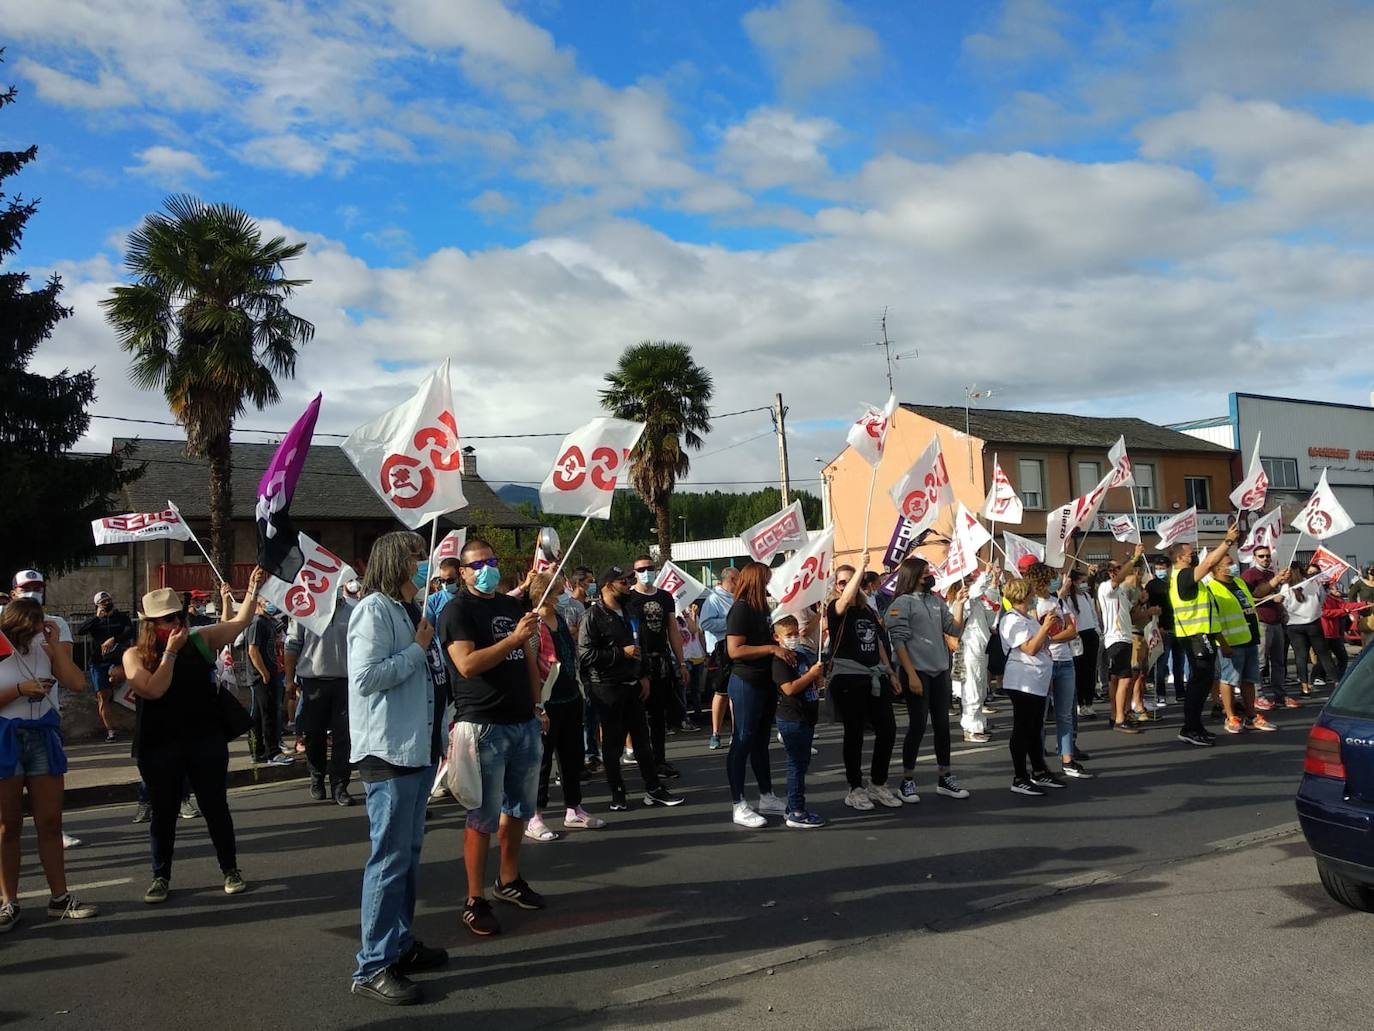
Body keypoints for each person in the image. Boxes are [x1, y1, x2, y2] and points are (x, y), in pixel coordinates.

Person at [347, 532, 448, 1006]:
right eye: (414, 556)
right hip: (388, 753)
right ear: (395, 562)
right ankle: (372, 965)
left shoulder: (413, 611)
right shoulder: (373, 610)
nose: (422, 562)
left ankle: (399, 945)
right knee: (388, 861)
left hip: (417, 751)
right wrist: (417, 647)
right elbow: (367, 678)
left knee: (406, 857)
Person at [122, 574, 264, 907]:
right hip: (160, 744)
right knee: (164, 812)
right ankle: (161, 876)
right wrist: (170, 653)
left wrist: (254, 587)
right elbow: (153, 689)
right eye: (169, 619)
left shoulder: (200, 640)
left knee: (216, 806)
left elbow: (241, 621)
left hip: (204, 738)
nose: (177, 623)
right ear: (151, 624)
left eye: (180, 616)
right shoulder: (134, 656)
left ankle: (230, 869)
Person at [441, 538, 552, 939]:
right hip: (483, 724)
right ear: (464, 572)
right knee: (482, 815)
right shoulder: (458, 610)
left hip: (522, 721)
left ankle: (508, 880)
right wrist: (511, 640)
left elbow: (529, 661)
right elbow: (467, 665)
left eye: (492, 561)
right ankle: (474, 898)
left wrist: (538, 706)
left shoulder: (510, 605)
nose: (487, 568)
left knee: (519, 809)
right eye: (478, 564)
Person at [0, 599, 100, 931]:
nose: (34, 632)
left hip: (42, 734)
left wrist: (56, 648)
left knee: (50, 822)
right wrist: (18, 689)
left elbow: (77, 683)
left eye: (39, 625)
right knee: (8, 825)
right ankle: (8, 901)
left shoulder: (45, 646)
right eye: (28, 627)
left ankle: (60, 897)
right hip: (6, 737)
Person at [577, 565, 683, 815]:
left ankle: (654, 789)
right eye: (623, 581)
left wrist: (644, 675)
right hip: (606, 688)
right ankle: (618, 792)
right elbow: (584, 655)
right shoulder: (592, 616)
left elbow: (641, 645)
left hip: (633, 685)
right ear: (607, 586)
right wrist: (618, 654)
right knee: (612, 745)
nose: (629, 584)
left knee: (642, 742)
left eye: (629, 580)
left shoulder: (630, 611)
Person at [525, 570, 604, 840]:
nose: (563, 597)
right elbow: (531, 666)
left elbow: (570, 655)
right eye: (558, 593)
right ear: (544, 595)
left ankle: (574, 809)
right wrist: (538, 706)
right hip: (547, 701)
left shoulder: (558, 618)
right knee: (543, 761)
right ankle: (535, 816)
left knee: (571, 757)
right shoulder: (533, 624)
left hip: (571, 695)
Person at [885, 556, 971, 803]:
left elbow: (954, 630)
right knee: (918, 726)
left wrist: (959, 604)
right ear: (912, 576)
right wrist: (911, 674)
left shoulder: (936, 601)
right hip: (917, 673)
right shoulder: (902, 603)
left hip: (940, 671)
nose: (929, 575)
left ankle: (945, 778)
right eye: (924, 572)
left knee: (942, 726)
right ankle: (907, 781)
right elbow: (898, 641)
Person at [827, 561, 901, 812]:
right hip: (849, 678)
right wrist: (860, 569)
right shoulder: (836, 609)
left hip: (874, 675)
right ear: (836, 587)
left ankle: (878, 783)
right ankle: (855, 787)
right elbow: (846, 599)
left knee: (888, 729)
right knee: (854, 734)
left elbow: (878, 642)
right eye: (842, 582)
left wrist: (890, 671)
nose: (848, 585)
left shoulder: (867, 611)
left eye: (852, 580)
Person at [724, 562, 793, 827]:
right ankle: (738, 803)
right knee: (742, 740)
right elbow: (735, 650)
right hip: (746, 682)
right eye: (765, 580)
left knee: (760, 743)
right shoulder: (741, 608)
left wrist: (777, 644)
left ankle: (766, 795)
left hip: (763, 682)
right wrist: (771, 649)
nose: (768, 584)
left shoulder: (761, 607)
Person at [1167, 523, 1242, 747]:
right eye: (1191, 554)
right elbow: (1210, 562)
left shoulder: (1191, 579)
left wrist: (1220, 640)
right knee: (1198, 684)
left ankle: (1196, 726)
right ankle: (1189, 728)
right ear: (1181, 558)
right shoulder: (1183, 576)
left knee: (1204, 681)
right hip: (1194, 636)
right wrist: (1227, 541)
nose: (1194, 557)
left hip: (1201, 636)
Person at [285, 590, 354, 806]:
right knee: (314, 736)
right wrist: (289, 679)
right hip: (313, 683)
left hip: (344, 683)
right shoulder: (305, 611)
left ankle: (340, 785)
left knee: (344, 737)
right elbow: (292, 644)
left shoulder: (353, 611)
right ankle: (317, 777)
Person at [624, 555, 688, 780]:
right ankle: (643, 761)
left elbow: (673, 630)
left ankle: (660, 761)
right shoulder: (628, 598)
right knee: (639, 717)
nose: (645, 572)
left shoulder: (665, 597)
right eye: (640, 569)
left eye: (649, 568)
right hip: (637, 662)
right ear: (634, 572)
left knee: (659, 717)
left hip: (661, 660)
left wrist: (681, 663)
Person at [998, 579, 1063, 796]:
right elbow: (1030, 648)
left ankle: (1039, 770)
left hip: (1038, 679)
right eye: (1031, 592)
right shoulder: (1011, 620)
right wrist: (1044, 628)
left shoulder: (1028, 618)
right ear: (1024, 594)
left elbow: (1043, 643)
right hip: (1022, 681)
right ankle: (1019, 777)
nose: (1035, 594)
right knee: (1023, 728)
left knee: (1036, 728)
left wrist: (1047, 626)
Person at [1029, 563, 1090, 774]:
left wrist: (1048, 637)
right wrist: (1048, 636)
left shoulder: (1057, 601)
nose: (1056, 580)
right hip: (1043, 664)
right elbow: (1032, 637)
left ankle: (1067, 759)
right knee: (1040, 715)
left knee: (1065, 714)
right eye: (1052, 577)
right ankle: (1038, 762)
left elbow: (1072, 631)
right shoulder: (1032, 604)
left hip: (1064, 661)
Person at [1209, 554, 1277, 733]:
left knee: (1249, 679)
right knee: (1229, 680)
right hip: (1230, 643)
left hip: (1249, 638)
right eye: (1228, 564)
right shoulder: (1212, 589)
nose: (1233, 566)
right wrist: (1222, 643)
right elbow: (1213, 620)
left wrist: (1276, 580)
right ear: (1217, 569)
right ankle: (1231, 717)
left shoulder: (1239, 583)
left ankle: (1251, 716)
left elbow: (1257, 594)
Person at [771, 614, 824, 829]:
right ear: (777, 637)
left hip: (807, 715)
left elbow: (813, 683)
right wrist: (811, 675)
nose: (793, 638)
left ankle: (792, 805)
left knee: (801, 764)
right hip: (792, 718)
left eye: (795, 633)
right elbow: (790, 688)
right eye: (788, 635)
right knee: (796, 765)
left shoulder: (802, 656)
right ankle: (796, 810)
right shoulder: (779, 661)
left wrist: (817, 677)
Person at [1098, 547, 1149, 742]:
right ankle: (1120, 718)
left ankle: (1116, 715)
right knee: (1124, 678)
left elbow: (1132, 614)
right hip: (1116, 638)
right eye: (1118, 568)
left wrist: (1143, 603)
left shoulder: (1119, 593)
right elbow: (1118, 579)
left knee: (1116, 679)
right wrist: (1135, 557)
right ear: (1111, 573)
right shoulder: (1106, 588)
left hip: (1124, 637)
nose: (1122, 570)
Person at [1279, 562, 1343, 698]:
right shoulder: (1313, 583)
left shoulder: (1286, 586)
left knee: (1301, 656)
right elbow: (1322, 598)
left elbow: (1283, 604)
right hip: (1313, 622)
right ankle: (1337, 682)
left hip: (1294, 624)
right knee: (1324, 654)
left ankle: (1305, 687)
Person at [78, 592, 134, 743]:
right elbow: (80, 631)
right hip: (98, 662)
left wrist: (113, 639)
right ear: (97, 605)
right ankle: (110, 731)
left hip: (117, 660)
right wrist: (97, 617)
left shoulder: (121, 617)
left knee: (119, 675)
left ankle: (113, 683)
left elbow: (130, 632)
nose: (107, 603)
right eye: (103, 602)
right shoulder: (95, 621)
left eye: (108, 600)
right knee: (103, 697)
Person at [1242, 546, 1292, 710]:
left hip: (1276, 621)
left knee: (1279, 662)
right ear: (1254, 557)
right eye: (1261, 556)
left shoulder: (1271, 574)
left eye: (1267, 556)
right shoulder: (1249, 575)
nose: (1265, 559)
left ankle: (1280, 695)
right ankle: (1258, 696)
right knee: (1260, 662)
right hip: (1261, 621)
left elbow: (1277, 597)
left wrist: (1282, 610)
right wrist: (1269, 597)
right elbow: (1248, 598)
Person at [953, 569, 998, 744]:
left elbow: (992, 615)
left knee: (980, 688)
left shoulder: (976, 600)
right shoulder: (960, 602)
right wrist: (986, 575)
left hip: (980, 648)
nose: (972, 581)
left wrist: (993, 586)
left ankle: (979, 723)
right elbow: (974, 593)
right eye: (969, 579)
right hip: (968, 649)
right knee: (971, 688)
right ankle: (971, 727)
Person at [246, 597, 291, 766]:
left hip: (270, 673)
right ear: (258, 602)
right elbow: (253, 650)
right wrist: (264, 673)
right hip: (262, 677)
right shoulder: (257, 623)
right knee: (268, 715)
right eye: (267, 600)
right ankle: (272, 752)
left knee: (260, 715)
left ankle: (259, 752)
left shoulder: (268, 622)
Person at [697, 566, 738, 750]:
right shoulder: (714, 599)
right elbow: (704, 623)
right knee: (721, 693)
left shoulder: (738, 598)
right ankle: (715, 733)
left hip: (737, 649)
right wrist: (730, 623)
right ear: (730, 579)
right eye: (737, 579)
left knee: (736, 694)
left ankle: (737, 732)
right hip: (720, 653)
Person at [1145, 556, 1187, 706]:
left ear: (1169, 568)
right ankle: (1160, 694)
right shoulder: (1151, 585)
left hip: (1179, 627)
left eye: (1163, 568)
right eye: (1158, 568)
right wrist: (1156, 626)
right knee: (1161, 664)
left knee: (1179, 663)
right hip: (1161, 629)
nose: (1160, 571)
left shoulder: (1175, 583)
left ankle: (1180, 692)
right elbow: (1147, 606)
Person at [1066, 569, 1101, 717]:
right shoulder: (1069, 599)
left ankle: (1089, 702)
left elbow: (1093, 615)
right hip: (1078, 637)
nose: (1084, 584)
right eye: (1082, 581)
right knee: (1079, 671)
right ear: (1074, 582)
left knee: (1091, 670)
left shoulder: (1087, 596)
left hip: (1091, 634)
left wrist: (1097, 631)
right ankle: (1080, 703)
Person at [679, 604, 706, 729]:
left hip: (697, 655)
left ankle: (698, 715)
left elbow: (696, 631)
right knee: (683, 690)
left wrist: (705, 652)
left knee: (696, 689)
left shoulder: (692, 611)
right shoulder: (675, 613)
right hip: (684, 657)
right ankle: (683, 718)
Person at [1349, 564, 1374, 649]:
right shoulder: (1361, 583)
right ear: (1367, 571)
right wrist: (1357, 609)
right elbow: (1351, 596)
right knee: (1368, 640)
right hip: (1366, 614)